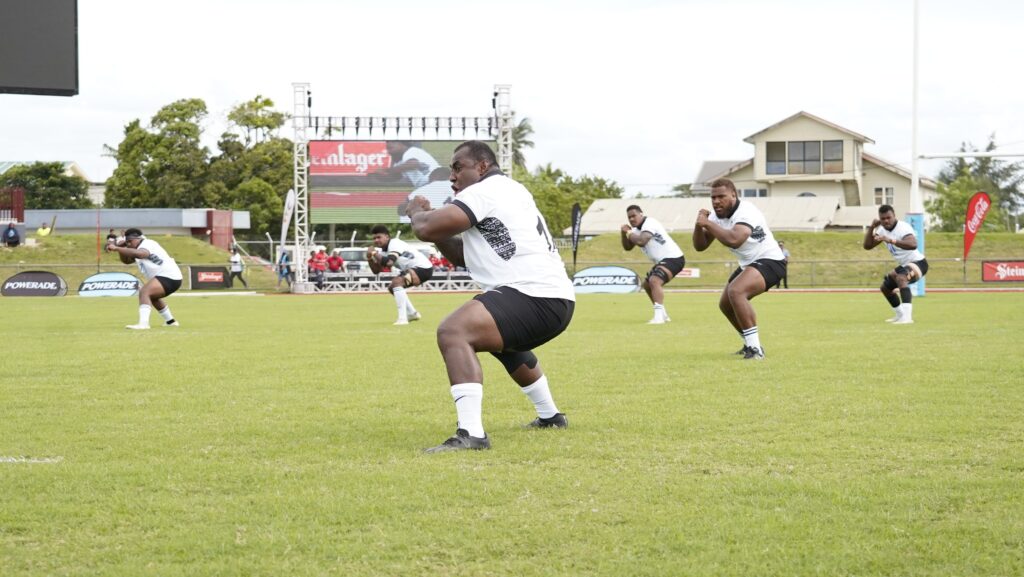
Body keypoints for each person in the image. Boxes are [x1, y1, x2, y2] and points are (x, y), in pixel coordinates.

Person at [407, 140, 575, 452]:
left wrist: (417, 211)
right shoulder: (509, 191)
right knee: (503, 344)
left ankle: (472, 434)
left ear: (482, 166)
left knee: (453, 331)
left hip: (534, 295)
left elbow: (426, 229)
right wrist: (433, 225)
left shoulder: (484, 191)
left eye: (459, 167)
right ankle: (550, 416)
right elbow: (461, 254)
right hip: (554, 299)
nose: (452, 176)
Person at [692, 178, 786, 360]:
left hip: (771, 260)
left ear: (734, 195)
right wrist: (699, 225)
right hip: (749, 263)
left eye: (721, 196)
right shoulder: (714, 217)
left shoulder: (746, 211)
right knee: (725, 304)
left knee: (737, 291)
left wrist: (708, 224)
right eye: (713, 198)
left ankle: (755, 350)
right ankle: (750, 344)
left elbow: (735, 239)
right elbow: (700, 246)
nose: (716, 201)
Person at [620, 205, 686, 324]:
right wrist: (623, 233)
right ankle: (664, 315)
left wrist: (628, 232)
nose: (631, 219)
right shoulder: (635, 231)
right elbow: (628, 247)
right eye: (629, 217)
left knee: (654, 281)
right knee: (647, 285)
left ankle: (658, 317)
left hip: (674, 257)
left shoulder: (650, 223)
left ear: (641, 214)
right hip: (663, 261)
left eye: (634, 216)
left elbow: (641, 241)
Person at [863, 204, 928, 324]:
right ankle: (900, 315)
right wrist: (872, 227)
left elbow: (913, 244)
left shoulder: (903, 227)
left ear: (894, 216)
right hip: (905, 265)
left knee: (901, 278)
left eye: (889, 217)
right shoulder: (881, 230)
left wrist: (891, 240)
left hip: (919, 263)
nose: (886, 221)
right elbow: (867, 246)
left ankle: (907, 318)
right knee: (885, 288)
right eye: (883, 219)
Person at [105, 228, 182, 330]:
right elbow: (126, 261)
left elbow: (142, 254)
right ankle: (171, 321)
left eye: (130, 241)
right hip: (169, 277)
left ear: (137, 238)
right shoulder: (137, 247)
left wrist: (116, 248)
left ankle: (143, 324)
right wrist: (120, 247)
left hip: (169, 275)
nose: (128, 244)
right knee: (152, 297)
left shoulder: (147, 243)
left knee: (144, 292)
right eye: (127, 242)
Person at [366, 225, 433, 325]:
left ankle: (403, 319)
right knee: (391, 287)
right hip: (413, 269)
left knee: (397, 283)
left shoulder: (394, 243)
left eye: (379, 237)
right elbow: (377, 271)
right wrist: (370, 258)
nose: (376, 240)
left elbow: (389, 262)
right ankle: (412, 313)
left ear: (387, 236)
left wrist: (374, 253)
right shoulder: (383, 251)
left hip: (422, 268)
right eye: (374, 238)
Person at [369, 141, 440, 188]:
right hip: (429, 186)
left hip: (437, 183)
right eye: (387, 149)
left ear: (401, 144)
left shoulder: (411, 151)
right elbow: (395, 177)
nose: (389, 152)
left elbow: (413, 164)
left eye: (391, 148)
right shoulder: (400, 162)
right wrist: (378, 175)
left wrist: (387, 170)